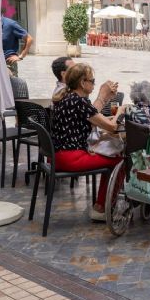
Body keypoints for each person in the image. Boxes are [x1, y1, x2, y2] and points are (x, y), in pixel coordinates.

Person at [51, 63, 122, 221]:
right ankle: (101, 208)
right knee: (119, 162)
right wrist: (121, 112)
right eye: (92, 81)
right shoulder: (79, 101)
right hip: (71, 158)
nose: (94, 84)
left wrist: (104, 98)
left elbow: (91, 119)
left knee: (112, 158)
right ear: (83, 83)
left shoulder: (68, 98)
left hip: (58, 156)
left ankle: (101, 205)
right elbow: (112, 127)